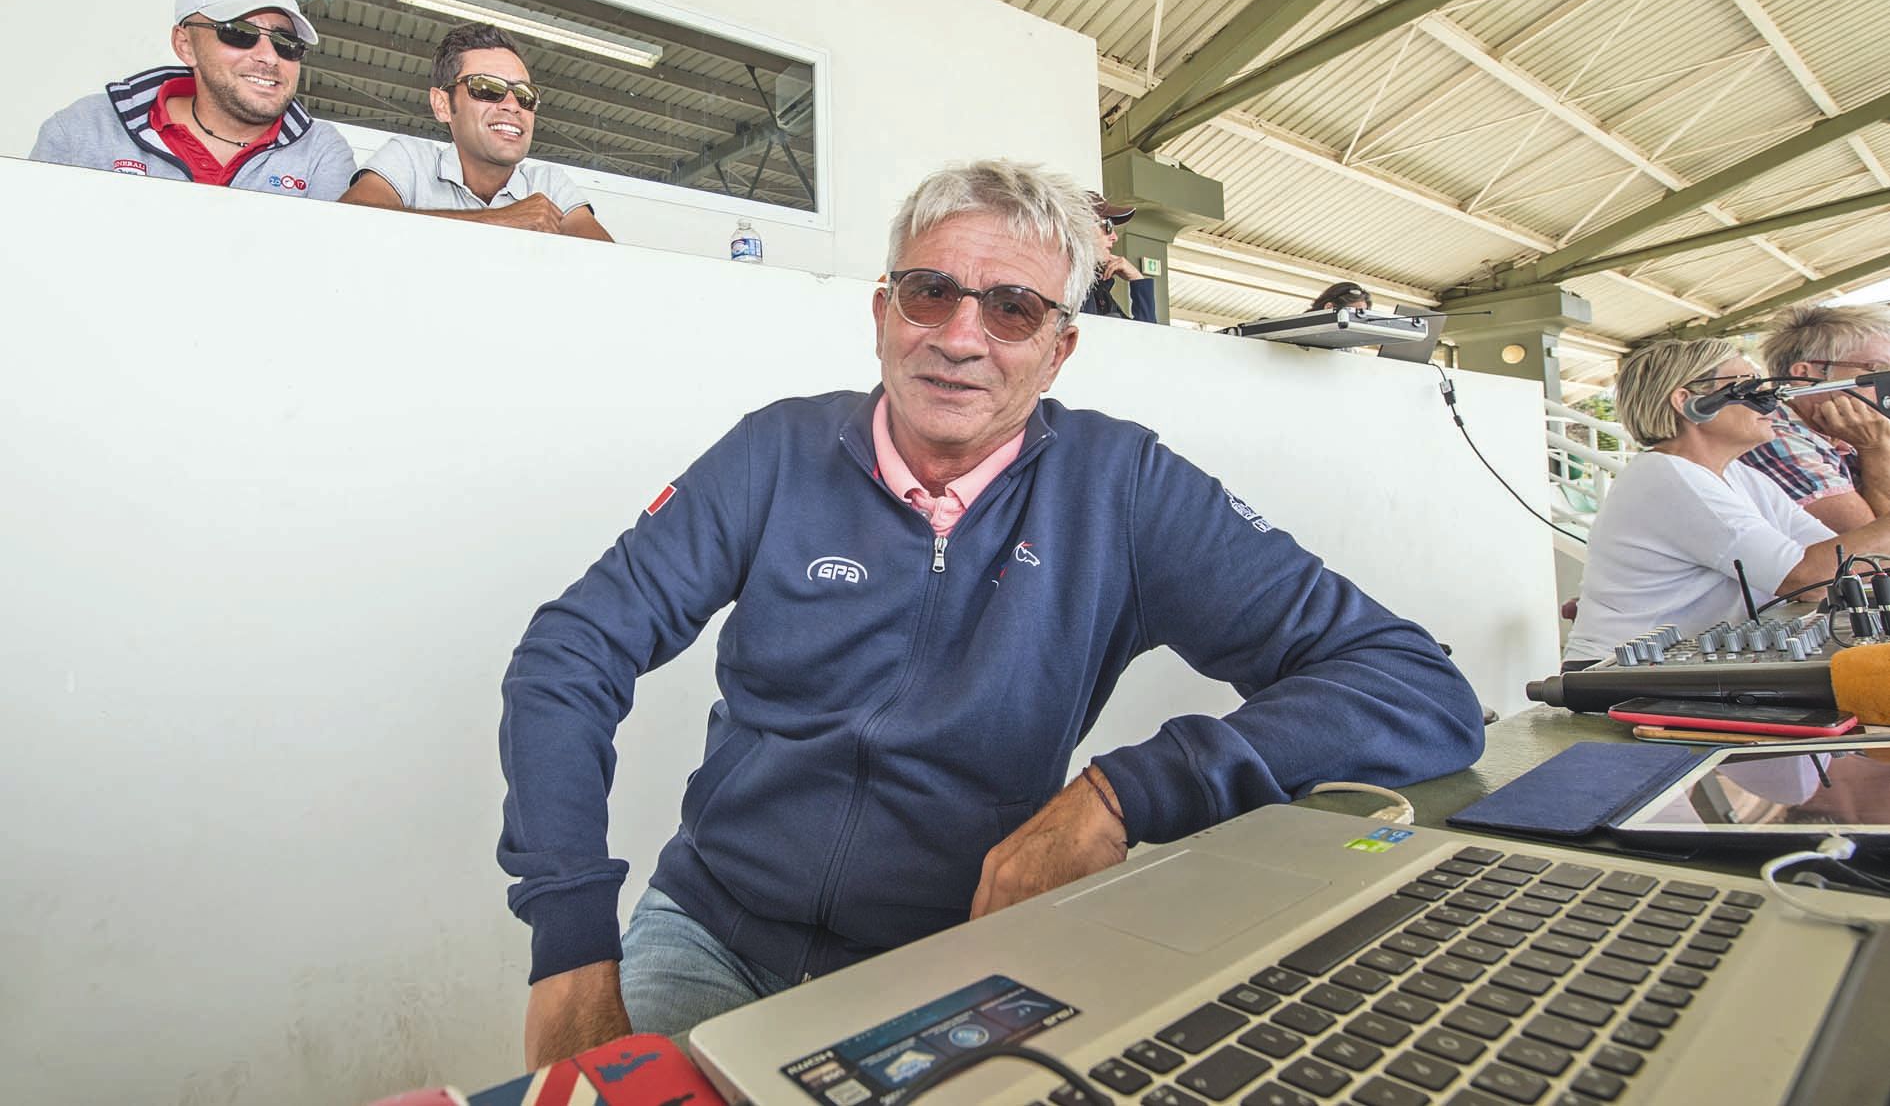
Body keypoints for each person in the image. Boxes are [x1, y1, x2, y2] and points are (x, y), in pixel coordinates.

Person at [499, 160, 1484, 1064]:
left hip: (955, 962)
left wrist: (1123, 793)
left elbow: (1412, 686)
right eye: (932, 292)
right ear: (884, 312)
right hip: (711, 928)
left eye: (1014, 309)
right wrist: (574, 945)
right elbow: (573, 648)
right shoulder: (774, 452)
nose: (962, 338)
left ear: (1059, 350)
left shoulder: (1124, 489)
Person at [1563, 337, 1890, 666]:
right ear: (1689, 402)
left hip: (1676, 664)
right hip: (1614, 672)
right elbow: (1802, 576)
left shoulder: (1741, 477)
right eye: (1748, 386)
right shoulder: (1669, 477)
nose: (1771, 402)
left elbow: (1835, 569)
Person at [29, 0, 353, 198]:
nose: (269, 56)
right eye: (239, 33)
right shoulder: (85, 131)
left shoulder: (321, 153)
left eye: (286, 43)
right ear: (185, 45)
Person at [340, 24, 612, 241]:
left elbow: (610, 265)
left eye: (524, 94)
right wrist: (501, 220)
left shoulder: (549, 184)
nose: (512, 105)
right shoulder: (409, 160)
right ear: (442, 105)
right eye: (486, 88)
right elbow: (348, 221)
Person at [1738, 304, 1890, 531]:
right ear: (1805, 375)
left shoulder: (1847, 433)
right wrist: (1876, 448)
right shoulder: (1770, 434)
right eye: (1877, 369)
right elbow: (1871, 551)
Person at [1078, 192, 1155, 321]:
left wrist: (1137, 279)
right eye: (1108, 226)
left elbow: (1146, 336)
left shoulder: (1099, 291)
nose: (1115, 237)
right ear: (1082, 227)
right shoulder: (1065, 283)